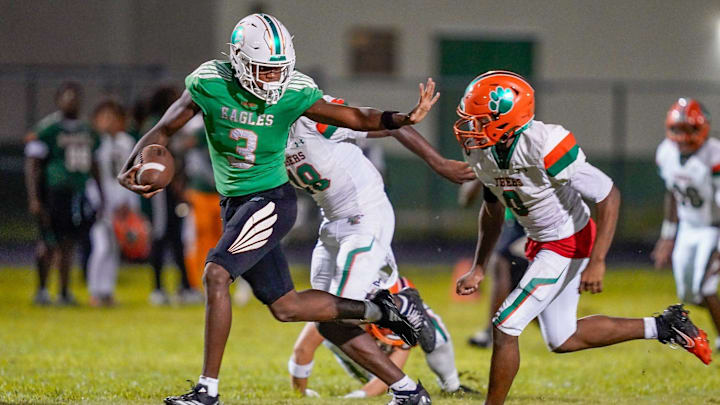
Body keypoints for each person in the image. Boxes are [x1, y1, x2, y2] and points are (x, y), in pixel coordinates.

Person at [118, 13, 438, 405]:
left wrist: (402, 117)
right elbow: (164, 130)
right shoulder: (209, 81)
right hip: (235, 203)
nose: (272, 79)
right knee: (287, 308)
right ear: (238, 60)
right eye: (263, 70)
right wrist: (132, 163)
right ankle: (392, 339)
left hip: (270, 200)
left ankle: (207, 390)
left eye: (278, 70)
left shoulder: (295, 91)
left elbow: (355, 117)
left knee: (216, 274)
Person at [453, 71, 712, 405]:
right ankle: (666, 326)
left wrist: (599, 261)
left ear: (508, 117)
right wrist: (479, 267)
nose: (470, 128)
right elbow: (490, 211)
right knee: (563, 338)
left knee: (505, 324)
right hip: (542, 240)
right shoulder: (484, 152)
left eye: (480, 120)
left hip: (566, 241)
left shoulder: (544, 142)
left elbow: (608, 194)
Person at [283, 96, 475, 399]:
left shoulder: (308, 112)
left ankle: (402, 320)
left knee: (351, 314)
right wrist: (299, 392)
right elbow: (304, 346)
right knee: (326, 317)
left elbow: (378, 122)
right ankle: (391, 316)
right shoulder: (264, 134)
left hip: (365, 215)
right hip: (332, 223)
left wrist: (437, 160)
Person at [290, 276, 476, 398]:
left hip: (394, 310)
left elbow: (395, 371)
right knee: (331, 333)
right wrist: (301, 392)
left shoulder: (402, 313)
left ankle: (452, 385)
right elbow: (303, 349)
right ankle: (368, 372)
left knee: (437, 337)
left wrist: (356, 397)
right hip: (361, 307)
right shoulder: (342, 306)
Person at [651, 98, 720, 350]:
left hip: (713, 227)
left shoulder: (714, 154)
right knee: (689, 294)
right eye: (678, 130)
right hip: (687, 229)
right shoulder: (665, 152)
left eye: (689, 130)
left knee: (706, 285)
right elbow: (672, 194)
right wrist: (667, 236)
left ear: (703, 129)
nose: (683, 137)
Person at [25, 81, 101, 306]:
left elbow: (95, 164)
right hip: (53, 193)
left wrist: (100, 193)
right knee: (48, 242)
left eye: (75, 97)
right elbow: (33, 165)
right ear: (58, 100)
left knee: (69, 243)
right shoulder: (48, 128)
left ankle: (64, 292)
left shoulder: (88, 129)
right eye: (67, 97)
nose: (71, 101)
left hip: (78, 192)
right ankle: (41, 290)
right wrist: (34, 198)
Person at [458, 180, 528, 348]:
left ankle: (493, 331)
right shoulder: (485, 158)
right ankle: (494, 331)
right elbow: (465, 199)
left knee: (501, 262)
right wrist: (479, 175)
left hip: (545, 221)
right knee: (512, 281)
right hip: (516, 224)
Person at [86, 99, 139, 306]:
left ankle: (107, 291)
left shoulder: (126, 142)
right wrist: (98, 202)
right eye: (104, 117)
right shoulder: (95, 141)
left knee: (114, 248)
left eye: (113, 117)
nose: (109, 122)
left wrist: (129, 202)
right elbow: (93, 176)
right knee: (101, 246)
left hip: (120, 202)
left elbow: (131, 174)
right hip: (101, 201)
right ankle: (94, 291)